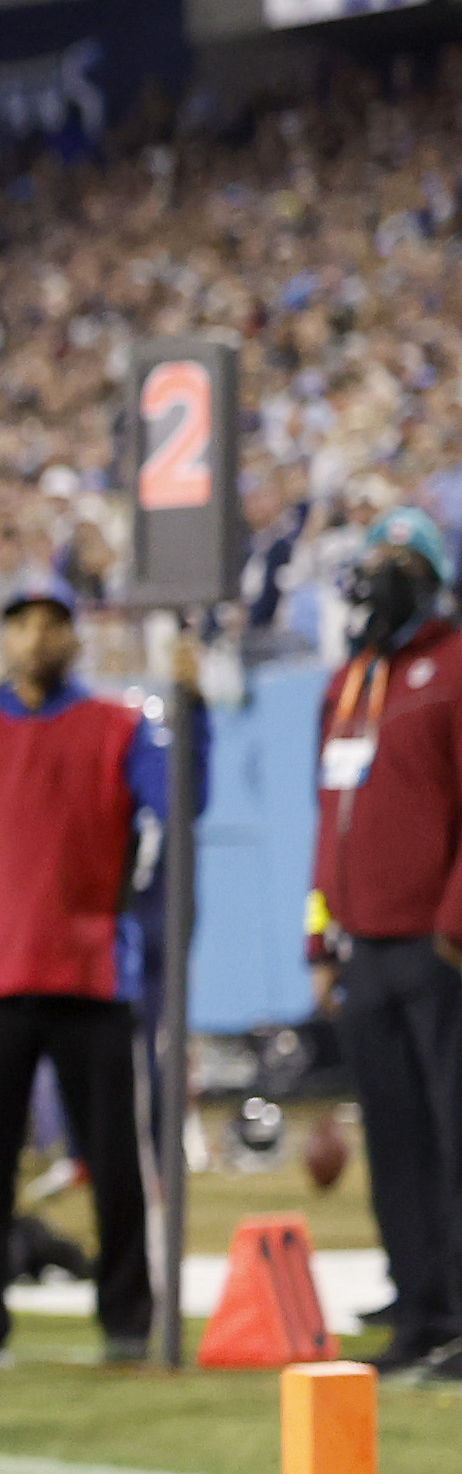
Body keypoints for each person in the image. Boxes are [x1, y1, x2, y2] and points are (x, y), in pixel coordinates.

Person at [0, 584, 167, 1369]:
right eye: (22, 625)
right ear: (4, 639)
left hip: (91, 977)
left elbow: (178, 807)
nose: (37, 639)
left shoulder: (117, 729)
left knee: (114, 1162)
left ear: (72, 640)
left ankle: (126, 1320)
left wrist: (195, 718)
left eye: (52, 624)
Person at [312, 514, 462, 1380]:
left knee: (453, 1133)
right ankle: (420, 1308)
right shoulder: (350, 684)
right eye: (375, 562)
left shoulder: (453, 668)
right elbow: (325, 818)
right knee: (396, 1139)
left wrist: (452, 925)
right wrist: (318, 936)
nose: (382, 578)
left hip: (436, 949)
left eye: (400, 564)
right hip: (362, 946)